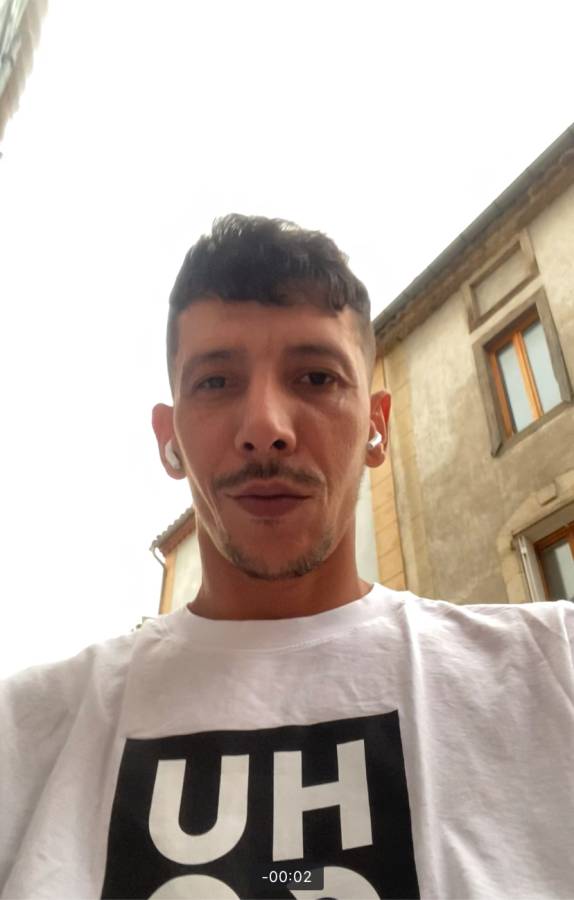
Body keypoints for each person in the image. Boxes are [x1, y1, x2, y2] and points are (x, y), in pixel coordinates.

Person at [1, 214, 572, 900]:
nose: (266, 428)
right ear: (168, 438)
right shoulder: (26, 734)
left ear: (377, 426)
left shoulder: (553, 670)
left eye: (316, 377)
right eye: (216, 382)